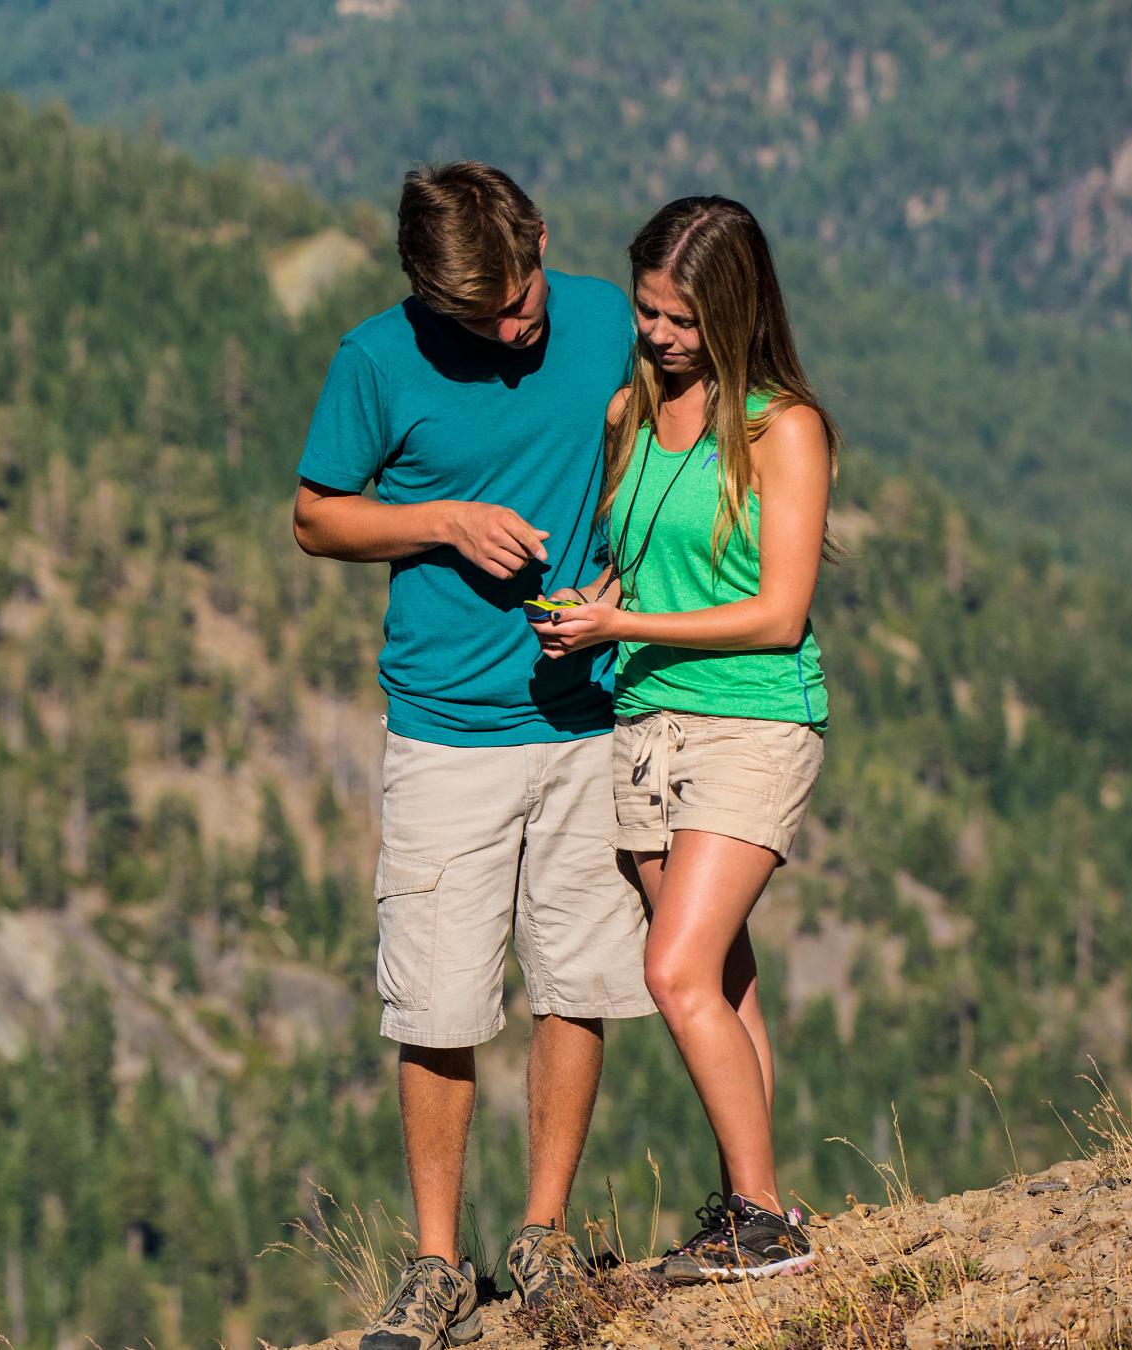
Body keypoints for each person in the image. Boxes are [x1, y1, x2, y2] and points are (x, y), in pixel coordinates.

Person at [292, 161, 654, 1349]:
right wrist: (442, 520)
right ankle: (436, 1263)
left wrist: (627, 574)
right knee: (440, 1002)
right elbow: (316, 515)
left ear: (542, 237)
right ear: (426, 295)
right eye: (482, 315)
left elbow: (670, 446)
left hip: (592, 709)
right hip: (444, 724)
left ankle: (543, 1238)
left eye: (521, 293)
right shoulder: (375, 360)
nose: (514, 324)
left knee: (578, 984)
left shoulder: (608, 318)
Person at [532, 195, 838, 1283]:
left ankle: (761, 1220)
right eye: (647, 310)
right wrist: (596, 607)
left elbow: (777, 612)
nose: (658, 335)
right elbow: (647, 560)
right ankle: (758, 1203)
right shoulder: (633, 414)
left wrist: (623, 624)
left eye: (680, 319)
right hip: (647, 721)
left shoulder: (780, 428)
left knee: (673, 972)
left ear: (731, 310)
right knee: (725, 976)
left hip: (752, 719)